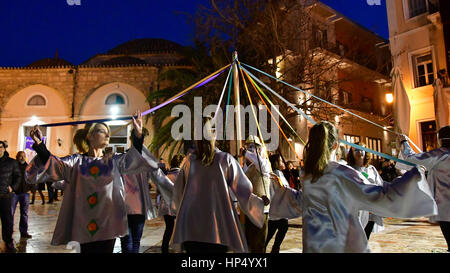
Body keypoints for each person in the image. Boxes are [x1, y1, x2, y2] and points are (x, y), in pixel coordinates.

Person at [26, 110, 173, 253]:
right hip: (84, 223)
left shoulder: (114, 161)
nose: (108, 134)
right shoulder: (76, 161)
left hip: (108, 222)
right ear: (90, 136)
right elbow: (56, 165)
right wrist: (40, 145)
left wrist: (138, 135)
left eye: (108, 131)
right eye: (102, 131)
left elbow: (133, 159)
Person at [301, 121, 437, 253]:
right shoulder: (341, 173)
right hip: (341, 243)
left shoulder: (305, 174)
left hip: (313, 244)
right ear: (336, 146)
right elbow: (380, 196)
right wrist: (414, 175)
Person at [170, 118, 269, 253]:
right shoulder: (225, 160)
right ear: (214, 134)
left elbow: (178, 192)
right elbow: (242, 190)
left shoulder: (189, 162)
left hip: (191, 227)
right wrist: (258, 202)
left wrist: (178, 213)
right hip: (217, 228)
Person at [397, 126, 450, 252]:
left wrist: (405, 142)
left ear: (440, 139)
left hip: (445, 206)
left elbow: (411, 157)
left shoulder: (440, 154)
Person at [119, 127, 172, 253]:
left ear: (131, 139)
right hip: (139, 206)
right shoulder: (148, 161)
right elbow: (161, 180)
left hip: (123, 205)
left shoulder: (121, 158)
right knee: (135, 241)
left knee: (126, 241)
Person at [265, 154, 302, 253]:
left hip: (277, 207)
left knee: (280, 227)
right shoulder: (277, 173)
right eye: (280, 161)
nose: (282, 162)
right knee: (275, 229)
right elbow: (283, 187)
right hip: (279, 207)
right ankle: (270, 248)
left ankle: (273, 248)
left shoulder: (275, 173)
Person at [347, 143, 385, 239]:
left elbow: (380, 185)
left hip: (370, 210)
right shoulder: (348, 170)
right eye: (356, 150)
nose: (359, 152)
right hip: (355, 211)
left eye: (361, 149)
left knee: (365, 237)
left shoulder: (371, 169)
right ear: (351, 153)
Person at [241, 135, 272, 253]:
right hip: (248, 209)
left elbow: (258, 161)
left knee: (258, 244)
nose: (250, 149)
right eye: (248, 146)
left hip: (261, 210)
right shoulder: (246, 167)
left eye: (253, 146)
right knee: (249, 243)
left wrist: (246, 154)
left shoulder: (263, 164)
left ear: (259, 149)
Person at [157, 154, 185, 253]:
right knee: (180, 227)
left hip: (165, 206)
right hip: (176, 205)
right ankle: (180, 248)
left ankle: (164, 248)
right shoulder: (180, 175)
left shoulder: (167, 175)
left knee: (169, 228)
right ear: (181, 163)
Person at [0, 140, 22, 253]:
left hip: (5, 196)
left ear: (4, 148)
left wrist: (12, 188)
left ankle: (8, 241)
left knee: (7, 220)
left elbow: (18, 176)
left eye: (1, 147)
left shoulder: (11, 162)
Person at [12, 151, 33, 239]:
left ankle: (24, 232)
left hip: (25, 193)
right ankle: (9, 230)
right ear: (17, 157)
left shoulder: (29, 167)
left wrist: (30, 189)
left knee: (24, 213)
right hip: (14, 193)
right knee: (10, 213)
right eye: (20, 156)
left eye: (24, 156)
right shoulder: (13, 166)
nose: (22, 158)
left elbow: (32, 179)